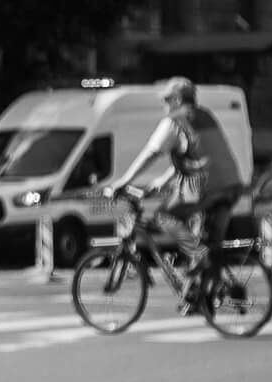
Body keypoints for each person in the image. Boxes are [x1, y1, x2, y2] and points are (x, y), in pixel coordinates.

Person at [105, 77, 245, 310]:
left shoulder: (175, 121)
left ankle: (200, 263)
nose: (164, 105)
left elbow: (151, 153)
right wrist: (161, 181)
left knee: (164, 217)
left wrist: (124, 181)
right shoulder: (206, 116)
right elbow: (194, 154)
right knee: (207, 243)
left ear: (177, 99)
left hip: (206, 186)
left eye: (166, 100)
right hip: (232, 185)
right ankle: (203, 299)